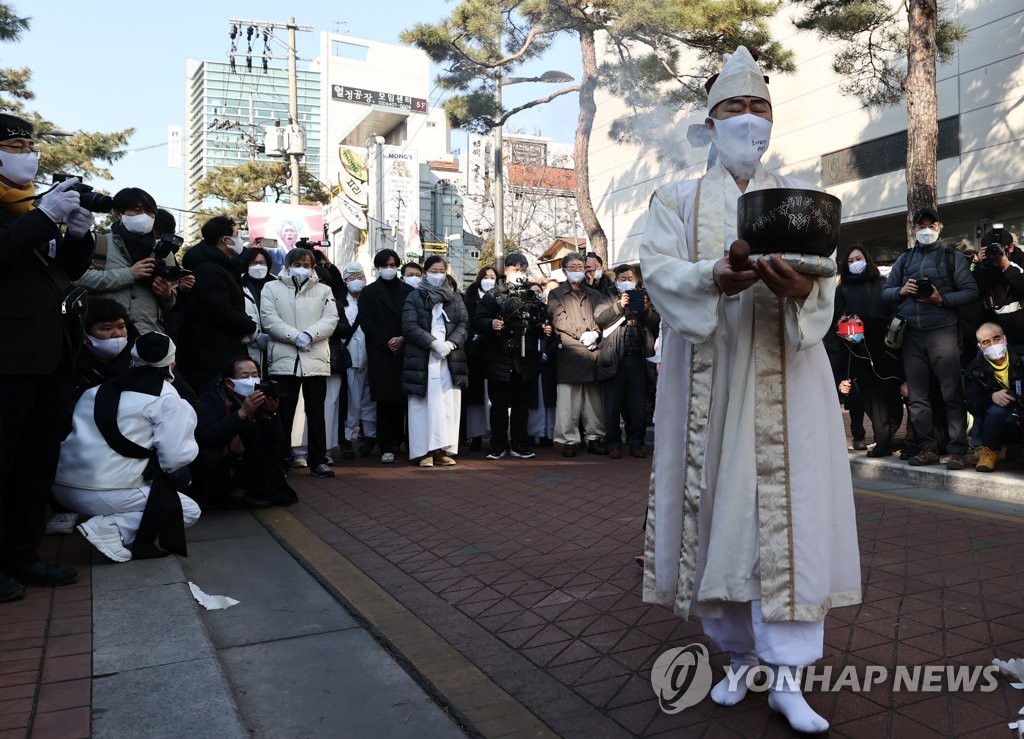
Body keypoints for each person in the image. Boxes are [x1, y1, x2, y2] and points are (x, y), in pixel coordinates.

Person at [638, 47, 861, 733]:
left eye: (759, 108)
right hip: (710, 374)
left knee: (787, 524)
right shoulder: (673, 198)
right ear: (709, 122)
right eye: (734, 108)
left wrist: (804, 291)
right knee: (718, 522)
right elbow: (656, 271)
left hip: (788, 377)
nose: (749, 121)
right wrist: (713, 276)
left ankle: (789, 678)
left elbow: (822, 278)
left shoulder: (798, 197)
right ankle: (738, 657)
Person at [0, 113, 94, 600]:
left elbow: (67, 272)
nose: (28, 154)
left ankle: (22, 555)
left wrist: (77, 233)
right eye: (15, 146)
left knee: (35, 461)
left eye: (29, 146)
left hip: (49, 355)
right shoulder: (27, 214)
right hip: (7, 359)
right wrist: (43, 217)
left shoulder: (31, 209)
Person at [52, 333, 201, 563]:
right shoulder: (167, 397)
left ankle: (111, 527)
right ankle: (109, 527)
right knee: (188, 510)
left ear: (132, 360)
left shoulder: (95, 390)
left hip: (61, 487)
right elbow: (174, 458)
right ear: (172, 364)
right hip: (105, 491)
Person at [882, 206, 979, 469]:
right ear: (913, 229)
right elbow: (886, 292)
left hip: (943, 331)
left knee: (951, 393)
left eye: (931, 225)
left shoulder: (953, 258)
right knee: (917, 397)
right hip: (911, 335)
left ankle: (958, 449)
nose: (926, 230)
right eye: (921, 225)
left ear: (940, 227)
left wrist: (941, 299)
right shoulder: (903, 260)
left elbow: (971, 291)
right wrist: (901, 290)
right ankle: (927, 448)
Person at [260, 248, 339, 478]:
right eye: (297, 263)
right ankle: (282, 459)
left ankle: (318, 460)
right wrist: (295, 336)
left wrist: (310, 335)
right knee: (283, 412)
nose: (302, 268)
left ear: (313, 267)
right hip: (285, 358)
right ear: (286, 265)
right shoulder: (271, 287)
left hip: (315, 358)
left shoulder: (324, 290)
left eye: (306, 264)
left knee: (316, 413)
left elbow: (331, 318)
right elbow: (268, 318)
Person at [829, 246, 905, 458]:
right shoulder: (842, 290)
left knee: (890, 395)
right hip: (857, 349)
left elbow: (893, 312)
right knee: (867, 398)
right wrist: (844, 323)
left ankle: (887, 436)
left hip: (885, 347)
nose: (855, 263)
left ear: (867, 259)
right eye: (851, 260)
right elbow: (836, 318)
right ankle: (877, 438)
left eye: (859, 258)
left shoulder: (883, 284)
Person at [192, 357, 297, 506]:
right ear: (229, 383)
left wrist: (270, 414)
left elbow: (276, 442)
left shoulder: (261, 398)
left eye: (255, 375)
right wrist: (242, 413)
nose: (251, 380)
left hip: (248, 460)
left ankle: (250, 491)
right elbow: (209, 436)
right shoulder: (211, 399)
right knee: (210, 456)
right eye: (244, 376)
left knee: (267, 455)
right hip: (222, 460)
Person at [475, 254, 551, 459]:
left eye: (523, 268)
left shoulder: (532, 295)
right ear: (506, 270)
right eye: (515, 268)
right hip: (498, 357)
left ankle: (520, 443)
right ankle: (498, 444)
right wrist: (491, 324)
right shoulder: (493, 295)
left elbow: (542, 318)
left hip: (525, 358)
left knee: (521, 405)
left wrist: (542, 327)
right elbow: (479, 319)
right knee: (498, 405)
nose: (519, 271)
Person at [75, 188, 180, 334]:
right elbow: (77, 279)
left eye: (150, 213)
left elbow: (170, 303)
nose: (145, 217)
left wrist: (167, 295)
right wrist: (129, 274)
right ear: (119, 214)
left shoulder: (163, 253)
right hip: (106, 336)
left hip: (148, 337)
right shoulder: (97, 243)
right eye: (137, 211)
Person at [175, 216, 259, 394]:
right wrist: (250, 326)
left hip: (215, 349)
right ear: (226, 240)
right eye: (237, 235)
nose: (240, 240)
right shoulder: (210, 270)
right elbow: (221, 312)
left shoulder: (221, 266)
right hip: (210, 353)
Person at [402, 256, 470, 467]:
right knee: (424, 405)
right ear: (425, 272)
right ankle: (424, 451)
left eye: (441, 271)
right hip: (424, 356)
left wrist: (450, 343)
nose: (438, 274)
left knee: (447, 403)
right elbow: (409, 325)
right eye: (433, 270)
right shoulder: (414, 296)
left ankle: (443, 448)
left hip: (450, 357)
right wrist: (433, 343)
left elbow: (464, 322)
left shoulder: (455, 297)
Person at [594, 263, 660, 458]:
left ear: (636, 280)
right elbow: (599, 318)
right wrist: (619, 306)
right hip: (615, 358)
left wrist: (646, 310)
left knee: (637, 404)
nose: (626, 282)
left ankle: (636, 443)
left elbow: (657, 324)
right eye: (622, 279)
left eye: (630, 279)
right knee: (613, 405)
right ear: (616, 281)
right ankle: (613, 443)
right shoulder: (607, 296)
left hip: (638, 359)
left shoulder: (646, 296)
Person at [547, 252, 607, 457]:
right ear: (564, 270)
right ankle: (568, 440)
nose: (576, 270)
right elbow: (559, 320)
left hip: (592, 351)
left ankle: (594, 437)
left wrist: (596, 333)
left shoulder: (595, 295)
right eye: (572, 267)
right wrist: (584, 334)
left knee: (594, 400)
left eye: (580, 267)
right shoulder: (555, 294)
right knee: (568, 401)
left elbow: (602, 318)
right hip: (570, 352)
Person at [359, 249, 414, 463]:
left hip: (404, 350)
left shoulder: (409, 291)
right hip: (380, 352)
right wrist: (386, 340)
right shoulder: (369, 292)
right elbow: (366, 321)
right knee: (383, 401)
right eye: (385, 265)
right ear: (378, 268)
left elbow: (413, 319)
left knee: (402, 399)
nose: (389, 269)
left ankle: (400, 440)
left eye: (393, 265)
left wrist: (402, 338)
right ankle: (386, 444)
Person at [965, 323, 1024, 473]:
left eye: (996, 339)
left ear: (1005, 339)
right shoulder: (975, 368)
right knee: (995, 411)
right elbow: (972, 405)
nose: (993, 344)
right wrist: (991, 397)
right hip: (996, 416)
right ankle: (990, 452)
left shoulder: (1020, 359)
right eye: (986, 342)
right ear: (980, 347)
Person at [337, 261, 377, 459]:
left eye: (360, 276)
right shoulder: (340, 303)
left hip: (371, 358)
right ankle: (347, 438)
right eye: (351, 278)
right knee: (351, 401)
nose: (356, 281)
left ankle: (370, 436)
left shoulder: (372, 300)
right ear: (344, 281)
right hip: (350, 358)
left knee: (370, 399)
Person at [463, 265, 497, 451]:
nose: (489, 279)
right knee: (475, 397)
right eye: (486, 276)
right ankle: (475, 435)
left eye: (493, 276)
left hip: (493, 353)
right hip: (474, 353)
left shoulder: (502, 296)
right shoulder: (469, 297)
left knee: (492, 397)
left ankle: (494, 432)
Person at [972, 228, 1024, 349]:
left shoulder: (1020, 261)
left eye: (997, 249)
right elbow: (975, 293)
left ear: (1010, 248)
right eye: (990, 250)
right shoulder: (985, 267)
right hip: (995, 334)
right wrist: (980, 266)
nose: (994, 254)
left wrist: (1007, 266)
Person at [241, 247, 274, 372]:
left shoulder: (277, 283)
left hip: (274, 345)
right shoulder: (238, 283)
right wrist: (253, 336)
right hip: (248, 345)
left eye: (262, 263)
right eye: (254, 263)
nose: (258, 266)